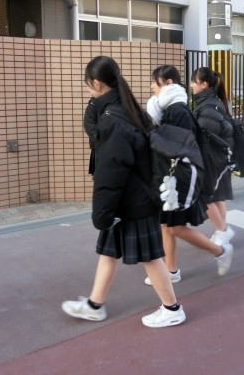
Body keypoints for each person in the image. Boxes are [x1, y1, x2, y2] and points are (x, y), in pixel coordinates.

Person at [62, 56, 186, 328]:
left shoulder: (113, 119)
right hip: (133, 197)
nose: (87, 89)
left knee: (151, 257)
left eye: (87, 84)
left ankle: (172, 309)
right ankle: (95, 304)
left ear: (96, 83)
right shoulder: (127, 109)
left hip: (132, 201)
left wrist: (101, 212)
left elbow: (111, 171)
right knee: (109, 252)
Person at [145, 65, 233, 283]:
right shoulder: (166, 108)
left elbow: (178, 147)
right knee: (166, 225)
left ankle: (220, 251)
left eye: (154, 82)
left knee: (176, 228)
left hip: (178, 177)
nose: (151, 86)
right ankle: (171, 271)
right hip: (168, 176)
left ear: (168, 82)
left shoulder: (177, 111)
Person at [190, 67, 236, 250]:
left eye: (194, 81)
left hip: (211, 158)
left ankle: (222, 230)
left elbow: (204, 137)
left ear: (204, 84)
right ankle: (221, 233)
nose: (191, 85)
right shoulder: (213, 103)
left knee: (205, 196)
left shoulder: (208, 107)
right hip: (220, 157)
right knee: (217, 196)